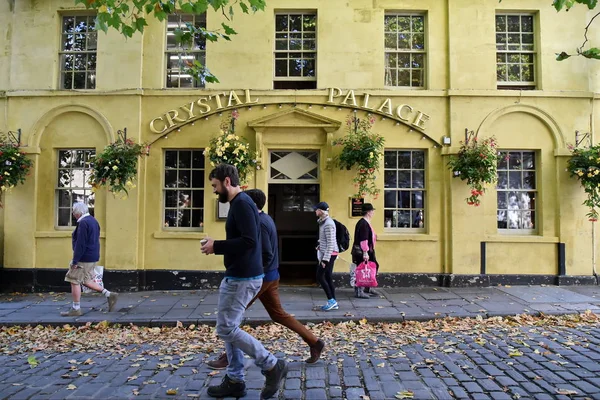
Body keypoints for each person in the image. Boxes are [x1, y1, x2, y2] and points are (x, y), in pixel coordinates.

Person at [207, 189, 325, 370]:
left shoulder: (259, 223)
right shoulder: (265, 218)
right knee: (278, 314)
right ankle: (314, 342)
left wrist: (254, 273)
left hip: (260, 277)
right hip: (271, 276)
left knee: (232, 317)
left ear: (252, 205)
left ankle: (229, 358)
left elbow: (266, 253)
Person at [200, 164, 288, 399]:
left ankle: (270, 364)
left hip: (243, 276)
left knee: (226, 328)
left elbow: (249, 241)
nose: (215, 191)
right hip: (240, 274)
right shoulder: (241, 204)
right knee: (230, 328)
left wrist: (215, 246)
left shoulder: (241, 204)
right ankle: (235, 379)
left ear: (227, 181)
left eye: (215, 186)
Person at [61, 202, 118, 316]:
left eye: (74, 211)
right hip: (92, 256)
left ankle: (76, 308)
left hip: (84, 257)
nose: (73, 214)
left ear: (78, 212)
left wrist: (75, 261)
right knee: (86, 280)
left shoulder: (83, 223)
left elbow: (80, 243)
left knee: (74, 280)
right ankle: (109, 294)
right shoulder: (93, 221)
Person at [314, 201, 339, 311]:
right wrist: (320, 245)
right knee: (328, 277)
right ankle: (333, 301)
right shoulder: (323, 222)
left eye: (317, 209)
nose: (315, 211)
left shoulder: (328, 224)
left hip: (329, 254)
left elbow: (331, 243)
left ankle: (331, 300)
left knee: (320, 276)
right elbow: (325, 240)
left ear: (321, 211)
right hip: (328, 253)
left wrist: (325, 259)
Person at [352, 203, 379, 299]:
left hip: (368, 250)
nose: (373, 212)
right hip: (363, 251)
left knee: (372, 267)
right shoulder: (363, 223)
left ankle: (367, 288)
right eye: (372, 211)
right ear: (368, 212)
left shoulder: (365, 222)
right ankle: (360, 291)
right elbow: (363, 239)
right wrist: (365, 252)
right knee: (362, 270)